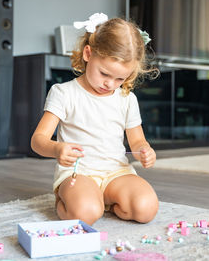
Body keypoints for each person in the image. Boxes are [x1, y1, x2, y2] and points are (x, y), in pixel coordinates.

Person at [31, 13, 159, 226]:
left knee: (146, 208)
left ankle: (103, 200)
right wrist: (57, 149)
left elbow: (137, 141)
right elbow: (38, 140)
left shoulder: (127, 99)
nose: (110, 84)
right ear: (88, 53)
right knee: (86, 214)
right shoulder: (64, 93)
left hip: (116, 173)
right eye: (104, 73)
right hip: (78, 174)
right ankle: (70, 201)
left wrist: (145, 150)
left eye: (120, 78)